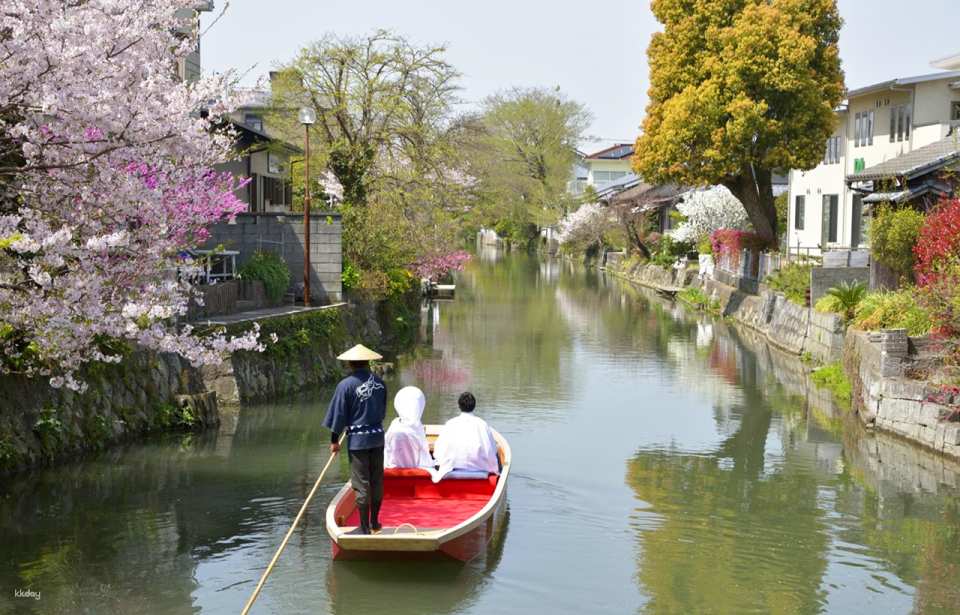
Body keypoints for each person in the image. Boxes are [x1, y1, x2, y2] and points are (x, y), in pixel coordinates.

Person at [323, 344, 388, 534]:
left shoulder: (345, 385)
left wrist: (334, 440)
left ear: (350, 363)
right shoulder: (380, 382)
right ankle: (375, 522)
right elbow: (382, 412)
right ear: (368, 362)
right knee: (376, 480)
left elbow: (338, 415)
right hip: (377, 437)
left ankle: (364, 527)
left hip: (358, 442)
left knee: (361, 483)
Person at [431, 392, 500, 483]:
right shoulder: (483, 424)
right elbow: (492, 450)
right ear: (474, 406)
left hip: (451, 469)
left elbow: (438, 451)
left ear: (459, 406)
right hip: (480, 469)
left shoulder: (451, 424)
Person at [384, 386, 435, 470]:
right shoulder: (417, 428)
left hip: (391, 474)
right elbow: (425, 461)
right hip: (417, 474)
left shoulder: (394, 425)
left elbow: (386, 453)